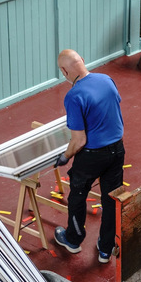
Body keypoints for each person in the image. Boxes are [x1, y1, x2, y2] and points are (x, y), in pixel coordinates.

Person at [53, 49, 125, 264]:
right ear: (83, 61)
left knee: (77, 195)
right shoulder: (106, 79)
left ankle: (73, 240)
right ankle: (106, 249)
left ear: (64, 71)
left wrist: (65, 156)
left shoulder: (74, 96)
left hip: (92, 156)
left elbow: (79, 141)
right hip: (117, 150)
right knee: (111, 199)